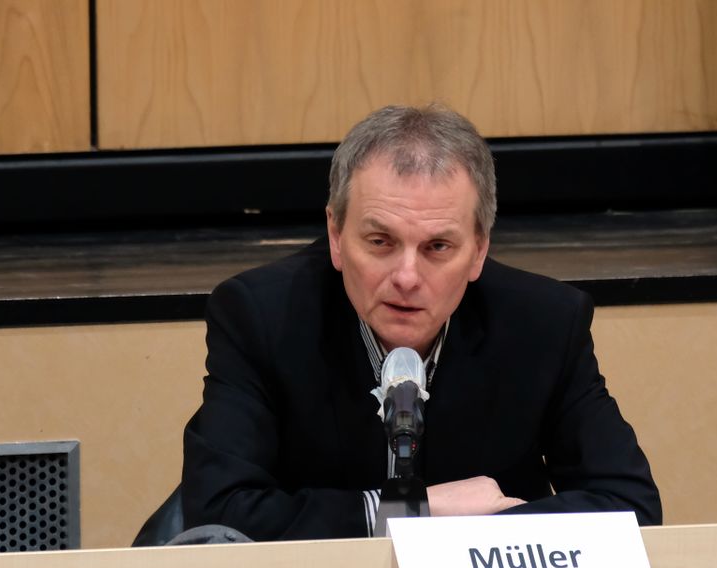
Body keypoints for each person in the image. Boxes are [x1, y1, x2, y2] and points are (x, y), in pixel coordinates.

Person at [181, 104, 661, 540]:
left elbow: (630, 507)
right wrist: (416, 511)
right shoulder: (260, 317)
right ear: (336, 235)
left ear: (479, 251)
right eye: (380, 242)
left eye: (437, 247)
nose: (407, 277)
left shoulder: (543, 324)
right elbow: (219, 513)